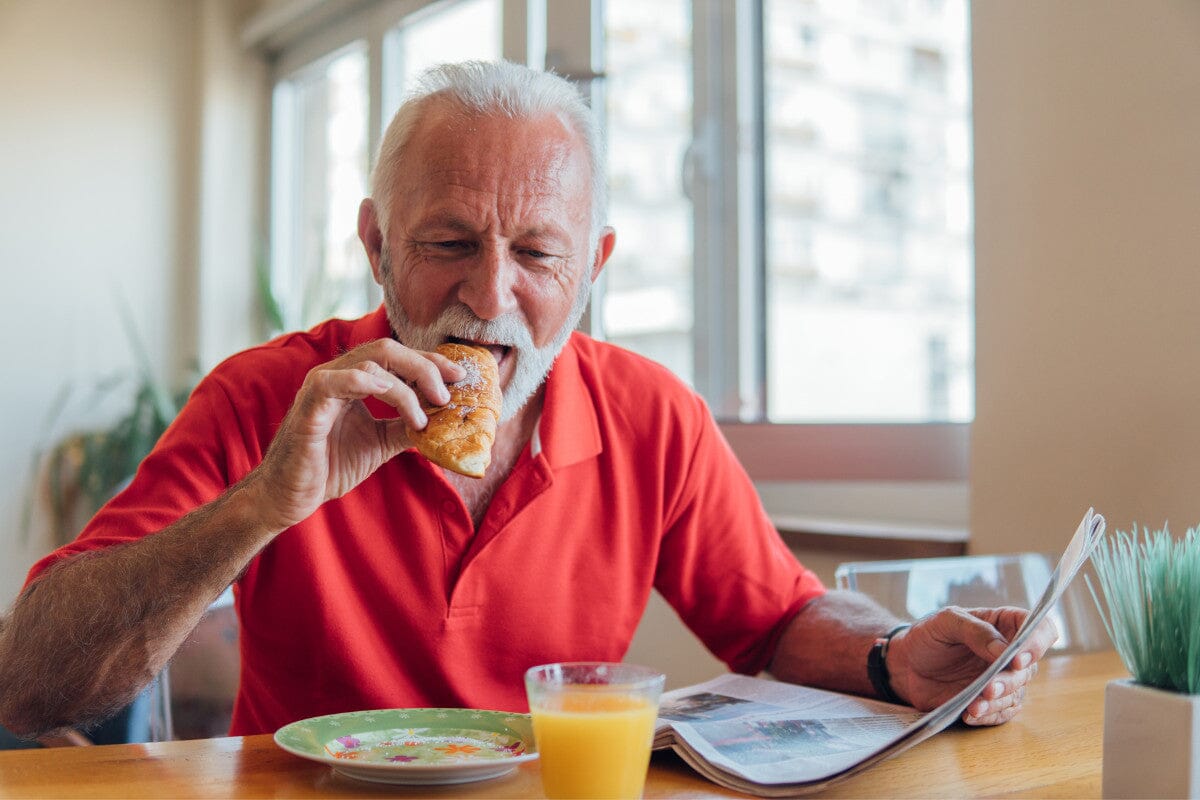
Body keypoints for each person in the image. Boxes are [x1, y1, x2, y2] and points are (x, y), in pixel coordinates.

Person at [0, 60, 1055, 741]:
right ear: (376, 246)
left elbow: (777, 616)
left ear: (592, 264)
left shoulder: (652, 414)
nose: (488, 296)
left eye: (537, 252)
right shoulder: (269, 395)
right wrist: (263, 505)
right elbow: (32, 685)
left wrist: (888, 652)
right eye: (448, 243)